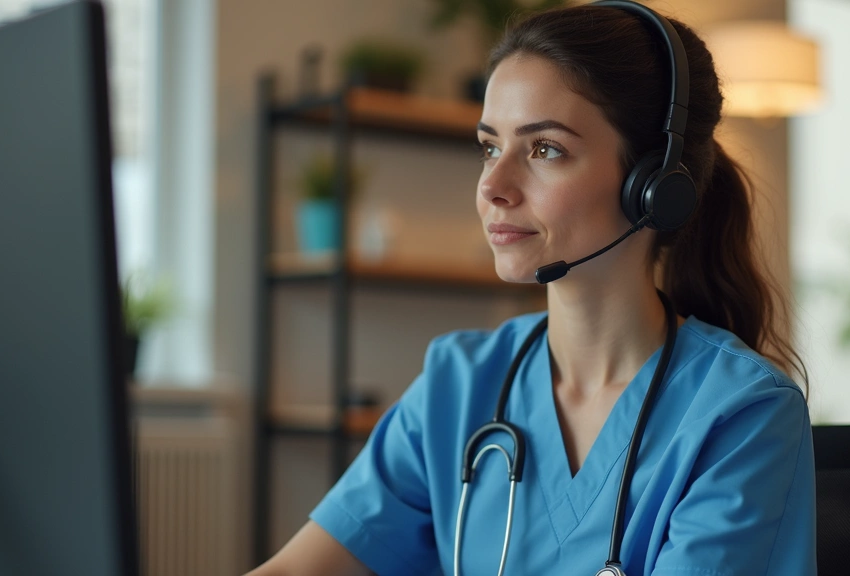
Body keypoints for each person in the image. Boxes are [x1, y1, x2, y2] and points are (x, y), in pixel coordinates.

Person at [247, 2, 815, 575]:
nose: (493, 185)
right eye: (490, 147)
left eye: (545, 149)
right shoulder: (458, 383)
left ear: (654, 185)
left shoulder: (740, 415)